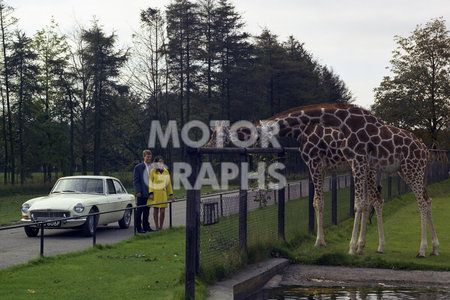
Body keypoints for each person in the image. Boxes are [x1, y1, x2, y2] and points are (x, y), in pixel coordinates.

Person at [148, 155, 175, 230]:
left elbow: (168, 184)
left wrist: (171, 194)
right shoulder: (153, 171)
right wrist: (151, 193)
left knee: (162, 211)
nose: (161, 163)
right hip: (155, 193)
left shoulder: (166, 171)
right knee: (156, 210)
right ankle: (157, 226)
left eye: (162, 161)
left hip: (163, 194)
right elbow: (150, 183)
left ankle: (161, 227)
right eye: (159, 162)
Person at [133, 149, 154, 233]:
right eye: (147, 157)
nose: (149, 159)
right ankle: (138, 227)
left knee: (147, 211)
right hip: (141, 193)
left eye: (150, 157)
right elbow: (136, 180)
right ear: (144, 157)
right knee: (139, 211)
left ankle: (146, 226)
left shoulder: (152, 167)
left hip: (149, 193)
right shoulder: (138, 167)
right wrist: (138, 191)